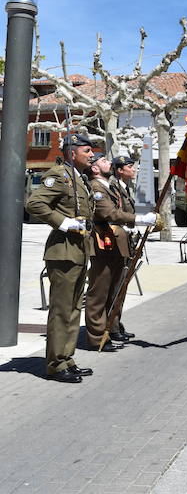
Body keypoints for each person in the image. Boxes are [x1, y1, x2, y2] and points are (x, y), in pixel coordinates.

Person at [25, 134, 97, 383]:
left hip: (79, 249)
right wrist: (63, 223)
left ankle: (67, 358)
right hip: (63, 251)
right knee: (61, 310)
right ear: (71, 152)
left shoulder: (79, 178)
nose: (92, 155)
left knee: (74, 307)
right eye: (87, 150)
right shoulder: (59, 175)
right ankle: (56, 364)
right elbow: (35, 204)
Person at [84, 153, 156, 351]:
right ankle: (97, 338)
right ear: (96, 169)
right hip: (103, 242)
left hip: (116, 242)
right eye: (105, 161)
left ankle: (109, 328)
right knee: (99, 293)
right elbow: (109, 213)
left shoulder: (108, 186)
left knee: (113, 290)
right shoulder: (96, 187)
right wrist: (139, 219)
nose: (110, 163)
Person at [109, 154, 141, 342]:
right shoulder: (114, 187)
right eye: (130, 166)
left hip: (128, 241)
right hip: (118, 242)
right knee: (116, 286)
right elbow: (116, 214)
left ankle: (117, 323)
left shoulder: (126, 187)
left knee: (122, 285)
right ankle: (112, 327)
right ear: (120, 170)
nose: (134, 169)